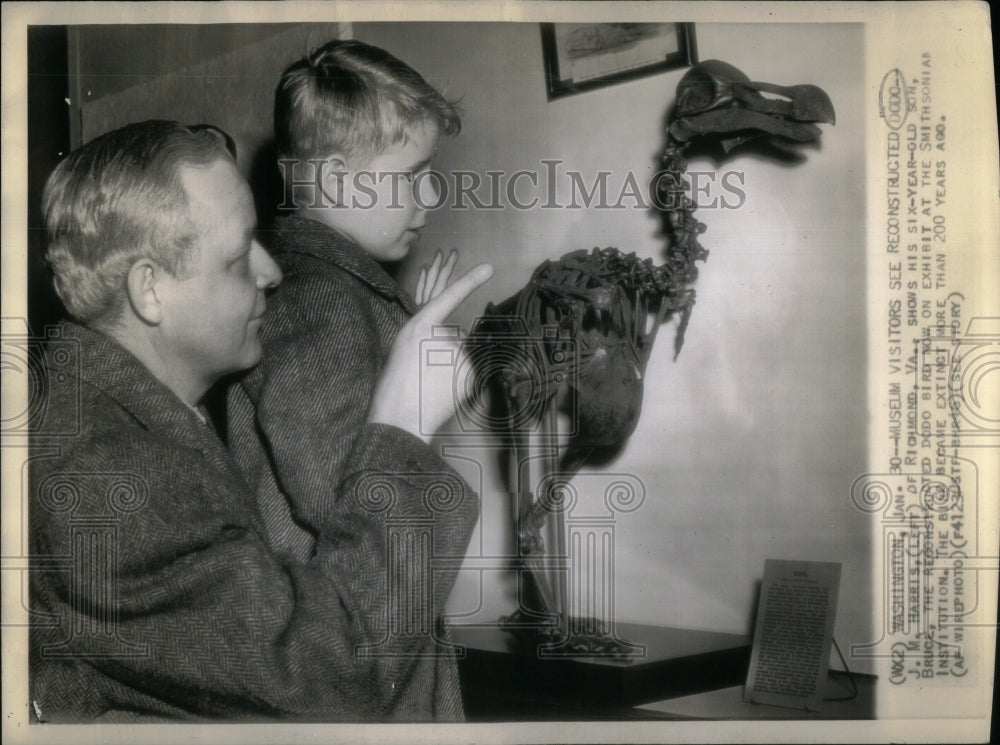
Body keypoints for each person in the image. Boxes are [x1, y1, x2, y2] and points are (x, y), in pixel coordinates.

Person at [29, 120, 492, 721]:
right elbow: (332, 674)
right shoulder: (108, 475)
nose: (271, 272)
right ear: (150, 291)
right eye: (238, 255)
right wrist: (402, 429)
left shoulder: (117, 423)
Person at [227, 39, 465, 566]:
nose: (430, 197)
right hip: (342, 628)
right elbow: (347, 509)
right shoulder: (320, 300)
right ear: (337, 182)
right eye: (412, 176)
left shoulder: (336, 288)